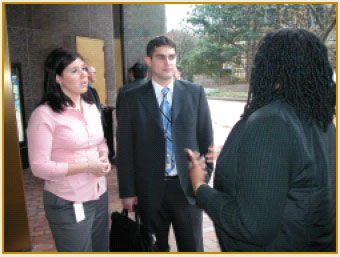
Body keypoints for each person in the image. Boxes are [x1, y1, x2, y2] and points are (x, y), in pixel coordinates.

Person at [186, 28, 336, 252]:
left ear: (269, 67)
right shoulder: (321, 121)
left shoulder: (271, 121)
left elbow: (252, 227)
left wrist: (199, 187)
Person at [116, 36, 213, 252]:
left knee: (192, 247)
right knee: (154, 248)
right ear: (149, 60)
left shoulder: (194, 93)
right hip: (149, 190)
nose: (168, 62)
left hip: (185, 188)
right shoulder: (131, 98)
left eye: (171, 57)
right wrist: (128, 191)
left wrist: (203, 181)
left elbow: (206, 139)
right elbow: (125, 149)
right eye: (161, 57)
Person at [27, 48, 111, 252]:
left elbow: (100, 142)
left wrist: (103, 157)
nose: (84, 74)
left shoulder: (91, 107)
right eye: (74, 71)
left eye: (83, 68)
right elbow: (39, 167)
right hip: (68, 200)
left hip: (99, 194)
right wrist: (87, 166)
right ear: (58, 78)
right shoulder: (44, 115)